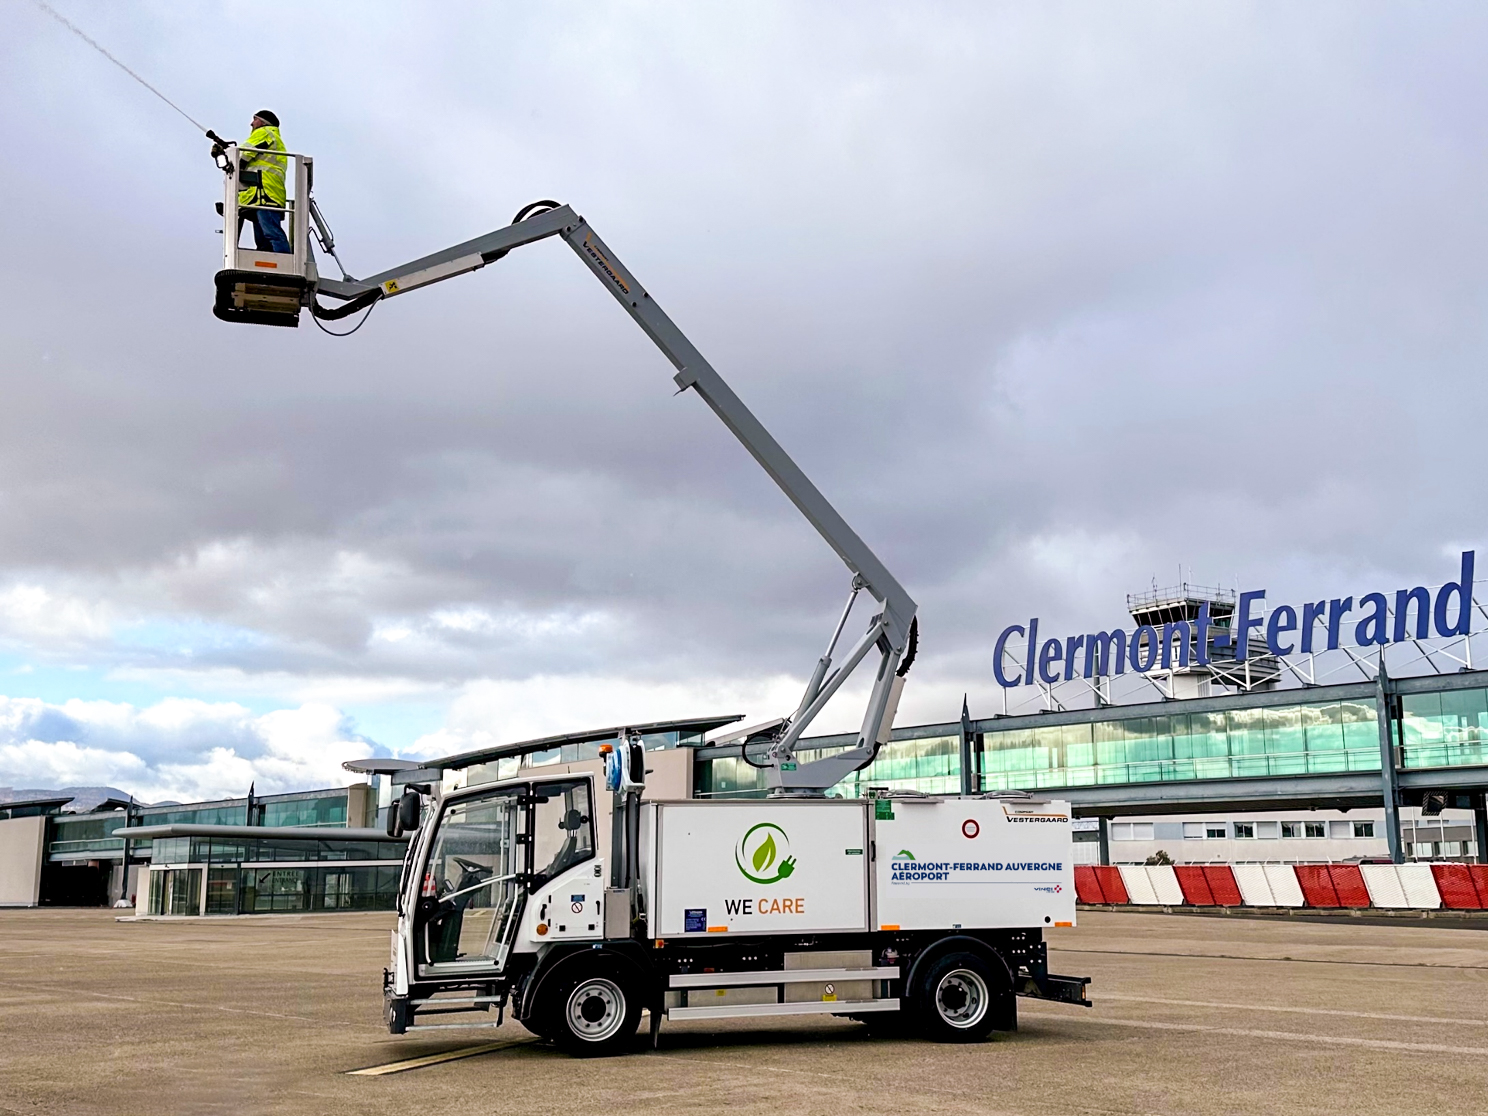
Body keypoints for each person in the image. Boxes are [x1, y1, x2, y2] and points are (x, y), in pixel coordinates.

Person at [219, 110, 290, 253]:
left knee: (271, 233)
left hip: (266, 193)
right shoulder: (272, 137)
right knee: (263, 239)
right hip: (261, 195)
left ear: (263, 122)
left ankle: (284, 262)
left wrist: (230, 159)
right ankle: (271, 262)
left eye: (255, 119)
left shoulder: (264, 132)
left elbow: (245, 153)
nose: (251, 123)